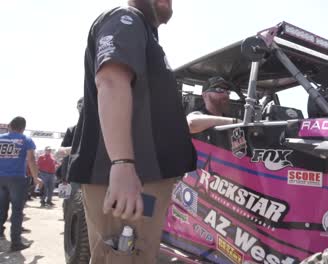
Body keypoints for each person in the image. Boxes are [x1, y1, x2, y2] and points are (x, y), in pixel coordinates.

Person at [67, 0, 197, 263]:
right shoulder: (126, 19)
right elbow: (111, 80)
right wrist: (123, 164)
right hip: (130, 181)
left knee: (137, 252)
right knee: (124, 254)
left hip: (139, 181)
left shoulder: (146, 34)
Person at [0, 116, 42, 251]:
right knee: (17, 211)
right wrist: (36, 177)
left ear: (10, 126)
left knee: (1, 208)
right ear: (23, 128)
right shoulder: (26, 140)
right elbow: (31, 160)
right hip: (17, 179)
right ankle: (16, 243)